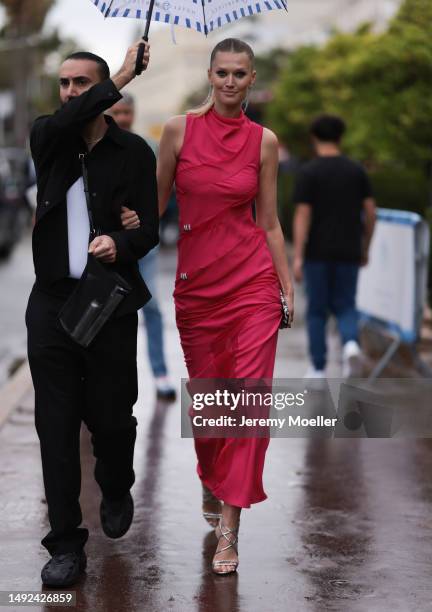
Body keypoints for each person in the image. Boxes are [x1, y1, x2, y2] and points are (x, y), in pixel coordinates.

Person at [156, 38, 294, 574]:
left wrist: (285, 286)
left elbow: (270, 221)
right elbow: (154, 204)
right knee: (211, 404)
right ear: (209, 76)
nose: (231, 81)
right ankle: (211, 477)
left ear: (252, 78)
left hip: (253, 283)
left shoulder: (264, 142)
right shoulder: (176, 131)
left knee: (249, 401)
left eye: (240, 73)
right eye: (223, 73)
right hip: (197, 288)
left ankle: (230, 532)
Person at [26, 42, 158, 587]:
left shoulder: (134, 152)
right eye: (65, 83)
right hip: (53, 302)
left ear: (102, 93)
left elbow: (148, 231)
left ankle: (116, 479)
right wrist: (121, 75)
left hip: (109, 301)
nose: (71, 92)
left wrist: (121, 244)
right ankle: (64, 546)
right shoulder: (48, 138)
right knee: (54, 428)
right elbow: (65, 122)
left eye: (83, 83)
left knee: (110, 417)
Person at [292, 114, 376, 378]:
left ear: (313, 138)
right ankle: (350, 343)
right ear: (341, 137)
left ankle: (318, 368)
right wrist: (365, 246)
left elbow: (303, 214)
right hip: (349, 250)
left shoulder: (309, 172)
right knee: (346, 305)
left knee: (317, 310)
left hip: (317, 252)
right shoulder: (356, 170)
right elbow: (371, 212)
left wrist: (297, 256)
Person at [110, 94, 176, 401]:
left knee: (150, 306)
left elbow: (161, 197)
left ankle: (160, 373)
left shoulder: (147, 148)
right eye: (117, 111)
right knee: (101, 308)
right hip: (106, 243)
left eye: (127, 112)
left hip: (143, 245)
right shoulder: (95, 148)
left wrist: (145, 219)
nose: (123, 117)